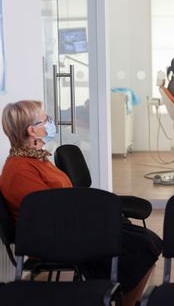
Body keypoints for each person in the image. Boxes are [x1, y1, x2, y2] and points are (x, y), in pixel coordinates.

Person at [0, 100, 162, 306]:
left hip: (68, 227)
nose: (50, 122)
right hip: (55, 237)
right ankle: (119, 299)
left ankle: (121, 299)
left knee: (145, 242)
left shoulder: (36, 159)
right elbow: (47, 212)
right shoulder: (19, 170)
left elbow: (63, 202)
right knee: (137, 248)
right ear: (33, 130)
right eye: (45, 119)